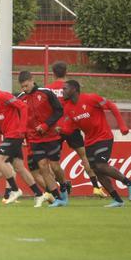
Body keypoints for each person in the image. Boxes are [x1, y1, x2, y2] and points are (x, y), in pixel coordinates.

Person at [61, 80, 131, 207]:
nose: (62, 91)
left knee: (101, 165)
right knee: (96, 170)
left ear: (74, 89)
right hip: (89, 141)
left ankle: (130, 183)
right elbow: (69, 128)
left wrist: (122, 125)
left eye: (65, 88)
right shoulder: (68, 107)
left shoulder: (91, 98)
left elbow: (111, 106)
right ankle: (117, 200)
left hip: (104, 137)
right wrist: (59, 130)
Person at [0, 79, 45, 205]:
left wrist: (22, 129)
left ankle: (15, 189)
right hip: (10, 134)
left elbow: (23, 107)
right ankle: (39, 194)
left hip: (14, 135)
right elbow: (1, 117)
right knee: (19, 167)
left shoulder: (3, 96)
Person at [46, 61, 105, 198]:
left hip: (56, 129)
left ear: (53, 73)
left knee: (53, 161)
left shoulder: (48, 89)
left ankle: (61, 185)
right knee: (84, 156)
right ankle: (96, 187)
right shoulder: (71, 87)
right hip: (72, 126)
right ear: (66, 72)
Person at [17, 71, 63, 207]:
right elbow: (21, 119)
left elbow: (59, 110)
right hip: (34, 139)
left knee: (54, 166)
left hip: (51, 136)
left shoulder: (46, 92)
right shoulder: (21, 99)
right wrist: (24, 136)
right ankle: (58, 197)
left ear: (32, 80)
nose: (24, 89)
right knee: (42, 167)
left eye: (26, 86)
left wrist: (46, 125)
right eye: (22, 87)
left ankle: (64, 184)